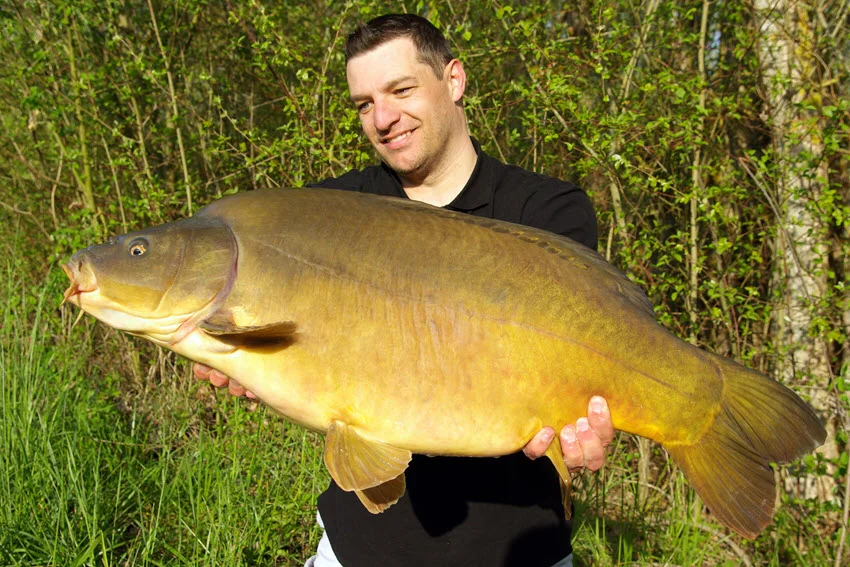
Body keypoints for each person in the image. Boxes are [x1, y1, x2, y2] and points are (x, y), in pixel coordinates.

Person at [194, 14, 614, 567]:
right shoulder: (328, 213)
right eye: (364, 104)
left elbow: (585, 370)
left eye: (400, 90)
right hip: (358, 549)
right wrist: (240, 358)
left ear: (455, 80)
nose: (384, 118)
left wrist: (584, 429)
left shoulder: (544, 211)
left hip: (519, 552)